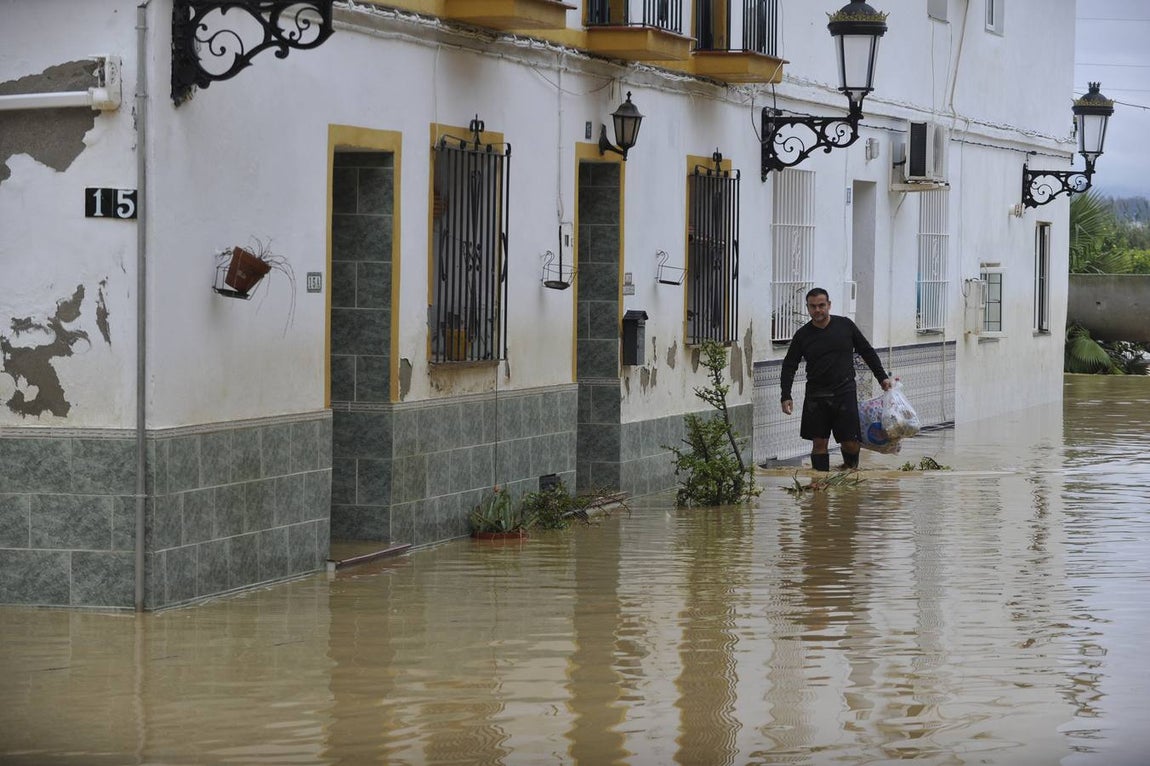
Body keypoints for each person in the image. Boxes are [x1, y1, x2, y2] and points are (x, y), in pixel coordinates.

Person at [780, 287, 892, 471]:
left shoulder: (845, 326)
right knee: (819, 443)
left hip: (844, 391)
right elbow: (789, 365)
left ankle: (849, 473)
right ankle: (820, 485)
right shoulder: (802, 335)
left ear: (829, 305)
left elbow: (866, 351)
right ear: (807, 308)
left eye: (821, 305)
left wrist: (882, 377)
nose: (817, 310)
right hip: (816, 396)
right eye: (813, 306)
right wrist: (786, 395)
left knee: (850, 442)